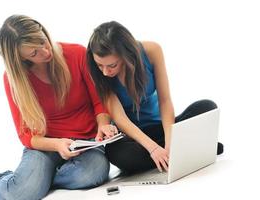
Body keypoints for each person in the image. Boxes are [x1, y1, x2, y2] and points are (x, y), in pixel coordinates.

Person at [0, 15, 118, 200]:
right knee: (23, 193)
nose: (45, 51)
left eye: (43, 42)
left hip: (86, 142)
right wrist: (57, 144)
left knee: (92, 173)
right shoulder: (14, 80)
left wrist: (103, 125)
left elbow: (100, 102)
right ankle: (9, 185)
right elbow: (25, 134)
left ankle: (34, 181)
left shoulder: (76, 54)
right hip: (47, 145)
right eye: (34, 53)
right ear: (20, 58)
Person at [86, 21, 224, 174]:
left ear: (126, 54)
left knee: (206, 107)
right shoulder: (98, 74)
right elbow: (120, 119)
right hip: (134, 138)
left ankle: (172, 152)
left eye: (112, 65)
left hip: (161, 128)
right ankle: (187, 151)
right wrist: (153, 149)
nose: (105, 72)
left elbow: (165, 101)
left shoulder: (152, 51)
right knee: (115, 153)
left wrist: (170, 142)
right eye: (100, 65)